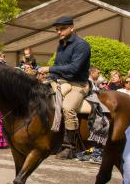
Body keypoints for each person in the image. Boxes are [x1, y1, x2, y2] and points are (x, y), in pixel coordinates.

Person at [37, 16, 91, 159]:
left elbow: (74, 69)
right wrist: (48, 77)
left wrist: (49, 68)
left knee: (68, 108)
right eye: (57, 30)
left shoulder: (82, 45)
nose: (58, 32)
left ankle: (69, 147)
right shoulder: (61, 44)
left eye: (62, 29)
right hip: (61, 81)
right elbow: (59, 67)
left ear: (71, 28)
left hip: (78, 84)